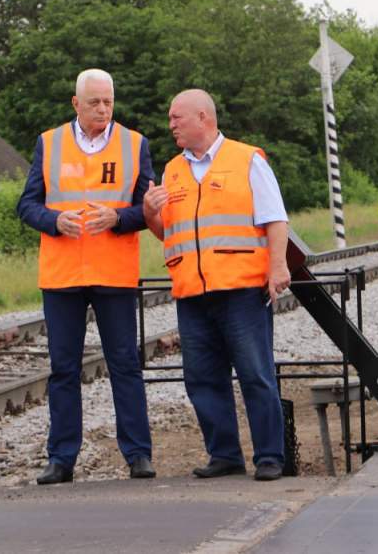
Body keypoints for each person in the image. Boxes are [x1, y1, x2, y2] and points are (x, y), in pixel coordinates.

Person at [143, 89, 291, 482]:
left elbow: (276, 218)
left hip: (241, 289)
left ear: (203, 117)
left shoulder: (247, 160)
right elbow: (168, 233)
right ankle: (224, 454)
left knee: (255, 374)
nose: (171, 124)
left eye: (177, 117)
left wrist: (277, 268)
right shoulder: (173, 169)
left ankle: (270, 457)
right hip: (192, 292)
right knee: (202, 377)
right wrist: (149, 213)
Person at [17, 68, 156, 484]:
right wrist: (53, 221)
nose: (102, 109)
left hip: (114, 272)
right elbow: (27, 205)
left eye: (108, 101)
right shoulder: (49, 143)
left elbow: (149, 210)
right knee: (63, 369)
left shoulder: (135, 145)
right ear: (76, 103)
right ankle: (61, 459)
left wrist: (119, 217)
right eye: (94, 102)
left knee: (125, 365)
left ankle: (138, 455)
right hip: (62, 276)